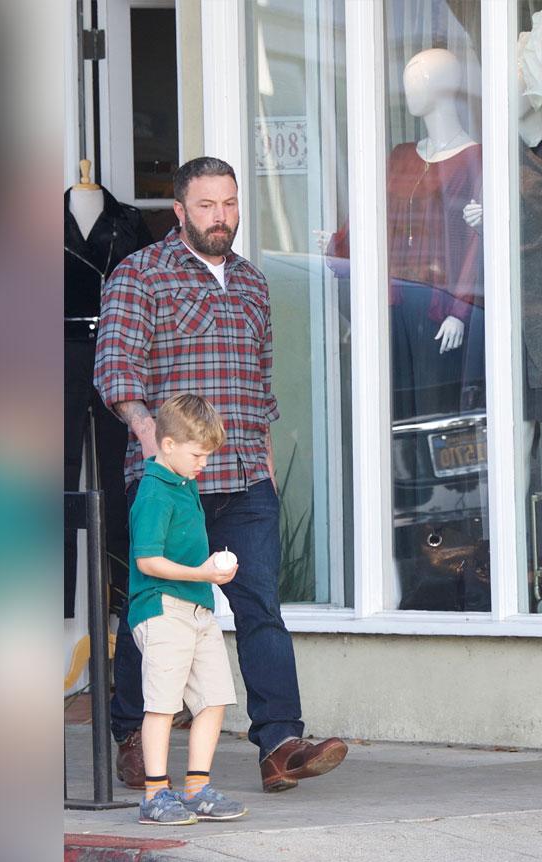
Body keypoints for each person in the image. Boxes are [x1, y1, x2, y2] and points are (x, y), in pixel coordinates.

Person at [95, 156, 347, 794]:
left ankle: (280, 744)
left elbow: (260, 382)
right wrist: (151, 442)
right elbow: (117, 368)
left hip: (243, 480)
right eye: (207, 206)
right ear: (180, 211)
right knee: (155, 606)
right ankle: (132, 735)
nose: (221, 218)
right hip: (170, 484)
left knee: (261, 608)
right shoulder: (139, 274)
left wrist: (261, 455)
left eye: (230, 204)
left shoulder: (253, 283)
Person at [128, 394, 246, 825]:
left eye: (208, 455)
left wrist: (206, 576)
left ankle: (197, 788)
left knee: (213, 698)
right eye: (198, 454)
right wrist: (203, 574)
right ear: (169, 444)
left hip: (197, 609)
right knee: (161, 703)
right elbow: (147, 561)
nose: (204, 464)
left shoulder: (184, 482)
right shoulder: (155, 492)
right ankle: (154, 794)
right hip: (162, 609)